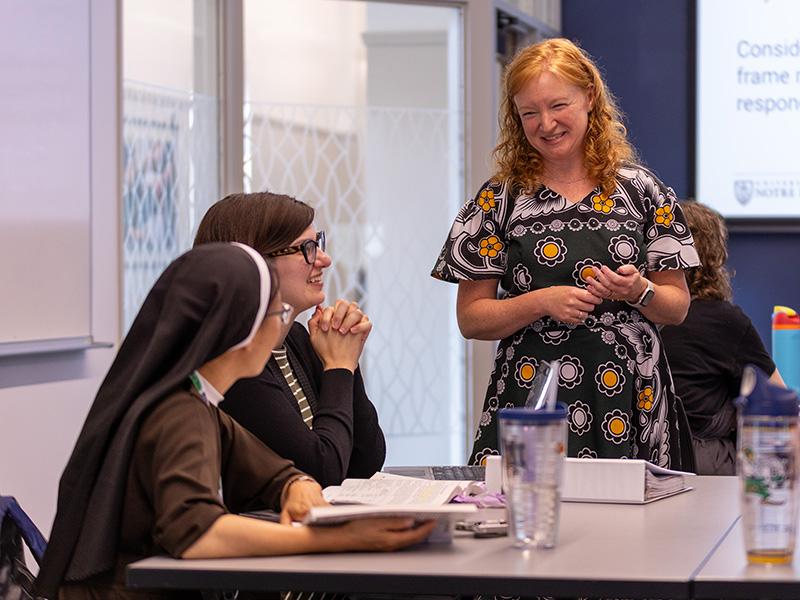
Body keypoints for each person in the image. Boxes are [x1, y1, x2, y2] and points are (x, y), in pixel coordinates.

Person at [36, 243, 435, 599]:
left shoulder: (196, 399)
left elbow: (270, 471)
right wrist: (339, 538)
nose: (284, 326)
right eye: (277, 313)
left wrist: (294, 484)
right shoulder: (179, 413)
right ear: (239, 329)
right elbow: (199, 534)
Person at [431, 38, 700, 468]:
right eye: (529, 113)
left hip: (632, 395)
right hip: (531, 395)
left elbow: (677, 307)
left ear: (589, 97)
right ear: (515, 117)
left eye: (558, 105)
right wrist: (542, 302)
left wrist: (638, 290)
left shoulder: (642, 190)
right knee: (526, 520)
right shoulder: (498, 199)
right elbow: (471, 319)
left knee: (633, 530)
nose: (546, 124)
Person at [193, 192, 385, 488]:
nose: (324, 259)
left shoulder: (294, 336)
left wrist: (345, 356)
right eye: (306, 248)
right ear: (255, 261)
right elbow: (321, 471)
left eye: (317, 242)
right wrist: (338, 367)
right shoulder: (235, 362)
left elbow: (365, 462)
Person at [661, 201, 783, 475]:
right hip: (704, 466)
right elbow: (777, 398)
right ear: (715, 255)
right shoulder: (725, 320)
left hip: (644, 458)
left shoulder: (633, 315)